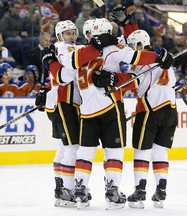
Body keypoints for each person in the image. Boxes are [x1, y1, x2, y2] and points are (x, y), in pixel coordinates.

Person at [42, 17, 173, 210]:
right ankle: (112, 193)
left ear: (86, 35)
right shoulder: (114, 49)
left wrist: (51, 62)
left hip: (86, 111)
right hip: (110, 107)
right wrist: (157, 57)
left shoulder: (77, 52)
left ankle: (79, 190)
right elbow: (136, 57)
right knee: (113, 151)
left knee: (83, 152)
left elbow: (64, 72)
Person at [36, 19, 119, 208]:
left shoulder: (69, 47)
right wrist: (99, 45)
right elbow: (69, 73)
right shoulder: (64, 48)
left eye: (74, 32)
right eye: (68, 33)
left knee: (64, 147)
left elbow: (83, 53)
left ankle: (61, 190)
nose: (72, 36)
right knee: (73, 147)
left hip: (62, 103)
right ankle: (68, 189)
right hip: (64, 103)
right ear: (59, 36)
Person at [120, 29, 178, 209]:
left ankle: (140, 192)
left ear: (139, 45)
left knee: (141, 151)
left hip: (149, 109)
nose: (131, 51)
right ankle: (161, 191)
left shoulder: (143, 62)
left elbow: (133, 84)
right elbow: (173, 82)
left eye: (132, 46)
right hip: (170, 109)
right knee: (160, 151)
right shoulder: (163, 58)